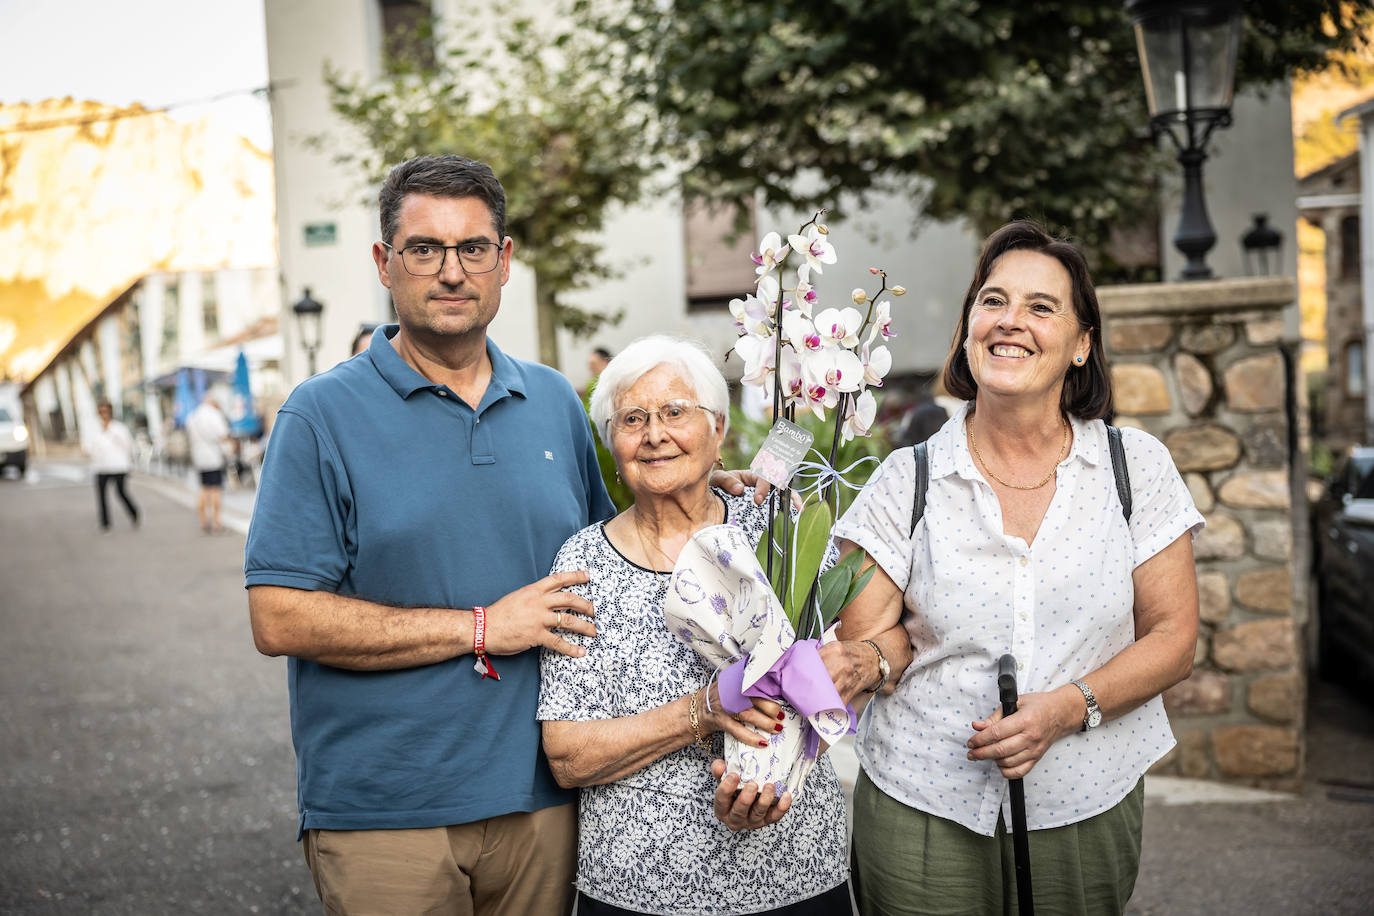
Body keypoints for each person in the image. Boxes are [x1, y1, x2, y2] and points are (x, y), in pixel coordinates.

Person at [244, 156, 763, 916]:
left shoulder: (553, 400)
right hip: (388, 812)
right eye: (425, 249)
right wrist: (485, 627)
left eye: (473, 249)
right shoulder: (320, 416)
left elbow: (616, 549)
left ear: (505, 261)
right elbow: (277, 616)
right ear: (386, 264)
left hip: (547, 801)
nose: (451, 272)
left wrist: (692, 479)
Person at [829, 220, 1204, 915]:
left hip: (1084, 797)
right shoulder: (903, 480)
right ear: (969, 328)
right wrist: (859, 663)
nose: (1011, 322)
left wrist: (1066, 709)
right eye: (993, 301)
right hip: (923, 806)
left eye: (1041, 307)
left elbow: (1173, 637)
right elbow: (869, 646)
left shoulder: (1135, 468)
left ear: (1082, 343)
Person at [540, 335, 872, 915]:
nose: (654, 434)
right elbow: (568, 757)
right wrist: (706, 709)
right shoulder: (582, 563)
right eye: (632, 419)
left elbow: (857, 661)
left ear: (717, 431)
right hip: (640, 889)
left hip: (796, 874)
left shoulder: (783, 533)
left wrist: (847, 674)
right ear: (611, 445)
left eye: (674, 413)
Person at [87, 400, 139, 531]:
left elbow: (128, 446)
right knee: (101, 496)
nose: (104, 415)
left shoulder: (119, 428)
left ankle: (134, 513)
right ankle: (105, 523)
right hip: (100, 467)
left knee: (121, 492)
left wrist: (111, 433)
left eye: (106, 411)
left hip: (118, 466)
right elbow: (90, 447)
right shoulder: (94, 429)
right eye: (101, 412)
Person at [184, 394, 229, 534]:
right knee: (216, 488)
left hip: (198, 456)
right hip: (212, 456)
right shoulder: (214, 414)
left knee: (204, 488)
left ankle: (203, 520)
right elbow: (223, 434)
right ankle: (216, 522)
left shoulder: (193, 416)